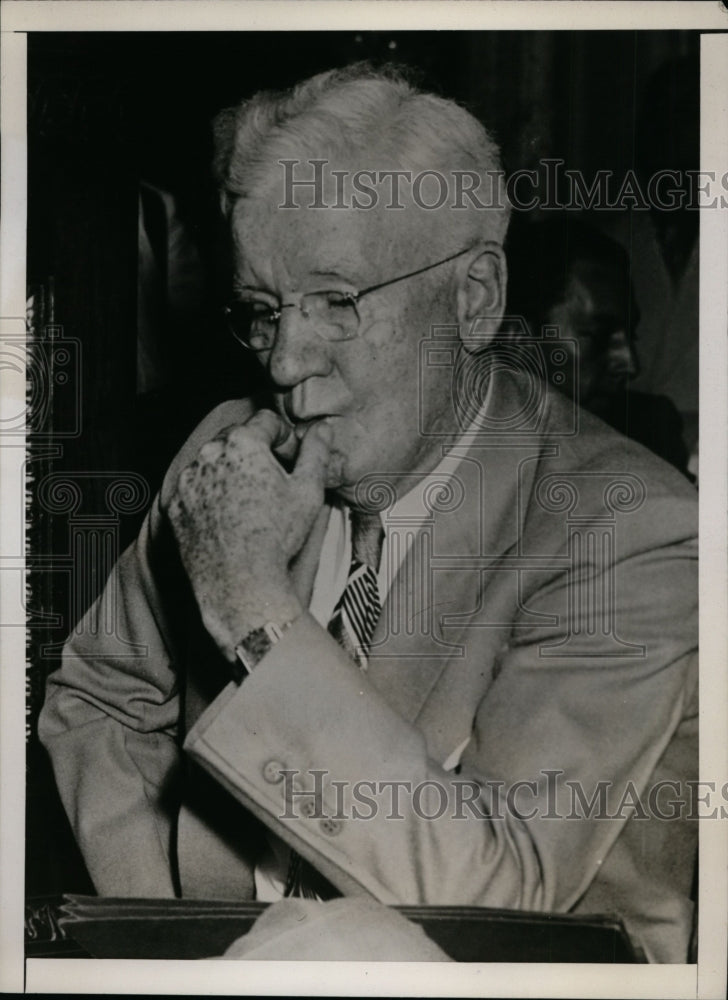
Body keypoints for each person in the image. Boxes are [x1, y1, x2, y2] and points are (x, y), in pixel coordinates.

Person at [39, 64, 698, 963]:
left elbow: (497, 898)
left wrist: (254, 611)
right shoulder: (236, 453)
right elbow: (98, 696)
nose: (282, 363)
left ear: (474, 299)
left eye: (337, 302)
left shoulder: (630, 527)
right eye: (263, 310)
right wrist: (181, 939)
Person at [504, 216, 690, 475]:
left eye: (631, 336)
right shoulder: (453, 449)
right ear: (518, 339)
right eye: (599, 336)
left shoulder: (649, 436)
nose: (630, 364)